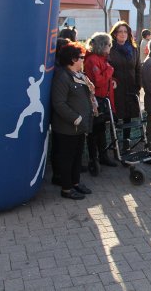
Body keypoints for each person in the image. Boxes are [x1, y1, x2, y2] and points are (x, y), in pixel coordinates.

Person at [50, 41, 94, 200]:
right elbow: (59, 103)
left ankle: (75, 183)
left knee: (77, 157)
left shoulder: (79, 75)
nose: (84, 60)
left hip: (79, 127)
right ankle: (66, 188)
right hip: (67, 128)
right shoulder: (62, 77)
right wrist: (76, 118)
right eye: (81, 57)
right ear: (72, 59)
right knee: (67, 158)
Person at [84, 32, 118, 173]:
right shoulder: (92, 60)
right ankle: (94, 159)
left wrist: (113, 80)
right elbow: (98, 81)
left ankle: (102, 156)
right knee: (94, 132)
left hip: (103, 100)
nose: (111, 47)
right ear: (103, 45)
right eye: (109, 44)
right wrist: (110, 72)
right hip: (96, 101)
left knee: (101, 130)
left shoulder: (101, 59)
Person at [108, 21, 142, 151]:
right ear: (115, 34)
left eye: (125, 32)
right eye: (120, 31)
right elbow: (107, 69)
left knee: (128, 118)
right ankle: (115, 144)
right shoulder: (110, 49)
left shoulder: (133, 49)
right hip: (116, 90)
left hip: (131, 88)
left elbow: (138, 68)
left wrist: (138, 86)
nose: (123, 34)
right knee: (115, 118)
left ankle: (126, 145)